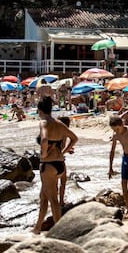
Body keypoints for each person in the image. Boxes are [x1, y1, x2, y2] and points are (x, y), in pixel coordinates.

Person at [33, 96, 78, 234]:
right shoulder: (59, 123)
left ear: (40, 110)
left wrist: (44, 153)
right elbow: (74, 138)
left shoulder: (44, 122)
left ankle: (59, 231)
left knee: (53, 199)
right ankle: (37, 228)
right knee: (43, 196)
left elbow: (45, 138)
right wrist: (63, 151)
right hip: (60, 164)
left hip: (48, 165)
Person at [57, 116, 75, 206]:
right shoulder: (64, 132)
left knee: (54, 182)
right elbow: (74, 139)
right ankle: (61, 201)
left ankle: (54, 201)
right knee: (63, 181)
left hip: (50, 159)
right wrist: (66, 151)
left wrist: (67, 150)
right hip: (59, 159)